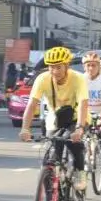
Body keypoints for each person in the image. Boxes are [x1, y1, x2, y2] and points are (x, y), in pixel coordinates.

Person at [19, 46, 90, 192]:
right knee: (51, 156)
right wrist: (25, 128)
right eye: (51, 67)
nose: (55, 71)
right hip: (55, 117)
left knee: (74, 144)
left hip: (77, 117)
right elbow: (32, 104)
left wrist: (80, 129)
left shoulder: (78, 78)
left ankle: (80, 173)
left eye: (59, 67)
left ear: (67, 66)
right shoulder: (42, 79)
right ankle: (50, 199)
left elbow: (83, 104)